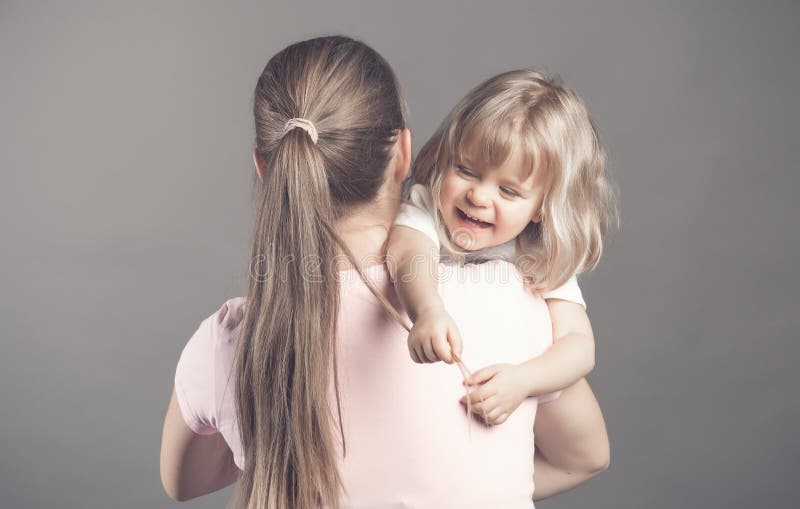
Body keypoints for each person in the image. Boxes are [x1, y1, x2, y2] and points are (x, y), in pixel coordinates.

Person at [159, 36, 610, 509]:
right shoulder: (522, 308)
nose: (480, 197)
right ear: (403, 154)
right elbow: (584, 457)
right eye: (470, 172)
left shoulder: (231, 340)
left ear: (266, 169)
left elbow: (182, 484)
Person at [387, 69, 618, 425]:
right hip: (426, 397)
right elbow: (408, 256)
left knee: (588, 452)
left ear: (544, 207)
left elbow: (579, 346)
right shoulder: (427, 208)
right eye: (465, 170)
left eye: (508, 191)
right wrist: (428, 311)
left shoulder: (536, 252)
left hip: (508, 387)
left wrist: (524, 381)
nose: (478, 196)